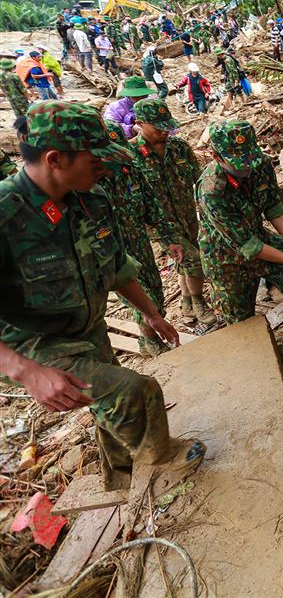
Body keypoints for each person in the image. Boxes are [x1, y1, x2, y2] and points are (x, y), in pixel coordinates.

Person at [0, 100, 205, 490]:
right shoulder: (6, 214)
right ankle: (161, 456)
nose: (103, 165)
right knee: (133, 390)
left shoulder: (91, 200)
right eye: (94, 157)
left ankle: (121, 472)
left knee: (105, 401)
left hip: (86, 326)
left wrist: (150, 313)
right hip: (30, 344)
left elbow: (115, 266)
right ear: (56, 159)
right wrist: (26, 371)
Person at [196, 120, 283, 324]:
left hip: (256, 236)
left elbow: (272, 206)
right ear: (216, 157)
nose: (247, 168)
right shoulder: (212, 190)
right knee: (240, 318)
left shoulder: (260, 164)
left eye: (250, 160)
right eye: (240, 164)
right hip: (225, 258)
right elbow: (247, 245)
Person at [98, 121, 183, 356]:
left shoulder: (128, 169)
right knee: (140, 296)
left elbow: (151, 206)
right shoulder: (87, 184)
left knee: (155, 290)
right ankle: (148, 340)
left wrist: (168, 240)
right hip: (112, 251)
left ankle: (152, 332)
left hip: (139, 242)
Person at [129, 99, 217, 325]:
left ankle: (186, 300)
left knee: (185, 260)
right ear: (139, 124)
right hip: (161, 225)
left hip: (188, 215)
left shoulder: (180, 147)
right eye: (156, 126)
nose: (163, 131)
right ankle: (199, 301)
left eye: (166, 125)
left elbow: (198, 180)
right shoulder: (130, 156)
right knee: (195, 261)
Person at [0, 58, 30, 124]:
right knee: (27, 113)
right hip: (20, 98)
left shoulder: (1, 76)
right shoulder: (14, 76)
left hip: (10, 98)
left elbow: (2, 88)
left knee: (18, 115)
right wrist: (29, 98)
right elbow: (23, 89)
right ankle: (30, 129)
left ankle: (21, 129)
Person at [215, 47, 243, 112]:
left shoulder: (228, 60)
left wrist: (236, 80)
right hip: (229, 77)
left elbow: (233, 71)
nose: (218, 57)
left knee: (237, 90)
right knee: (229, 89)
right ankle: (233, 103)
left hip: (232, 77)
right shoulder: (226, 57)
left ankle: (241, 102)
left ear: (220, 55)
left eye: (218, 56)